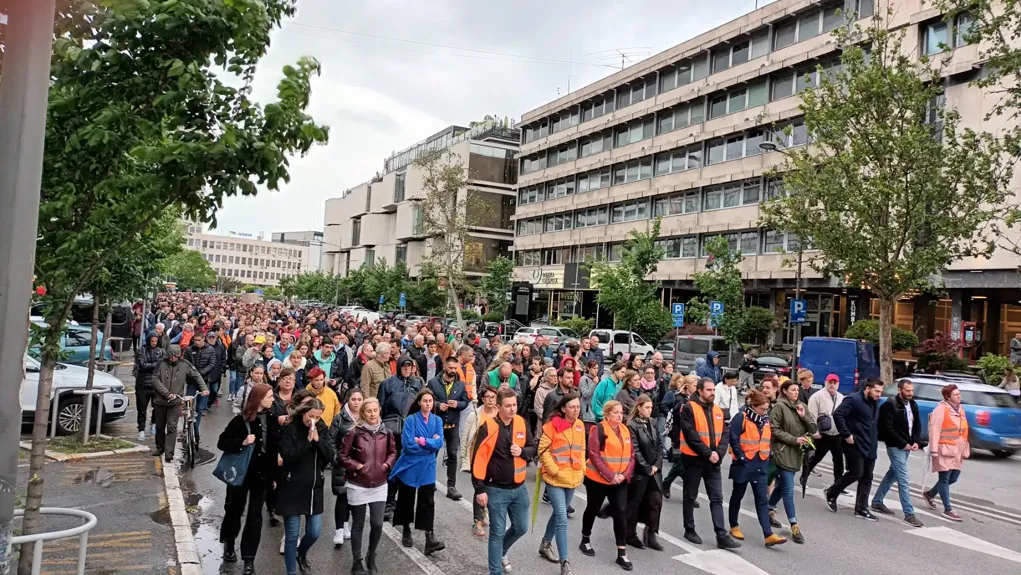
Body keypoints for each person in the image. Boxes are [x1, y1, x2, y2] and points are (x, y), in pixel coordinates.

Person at [472, 388, 536, 575]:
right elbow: (479, 459)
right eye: (508, 406)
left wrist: (523, 452)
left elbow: (533, 447)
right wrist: (480, 489)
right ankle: (495, 571)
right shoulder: (489, 427)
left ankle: (502, 553)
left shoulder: (521, 423)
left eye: (514, 405)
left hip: (519, 487)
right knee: (497, 533)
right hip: (496, 489)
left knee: (521, 528)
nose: (512, 409)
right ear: (498, 406)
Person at [217, 383, 277, 575]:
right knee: (235, 510)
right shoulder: (239, 421)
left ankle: (249, 559)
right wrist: (241, 442)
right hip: (241, 474)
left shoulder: (273, 420)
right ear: (259, 398)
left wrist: (274, 476)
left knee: (255, 517)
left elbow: (274, 450)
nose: (273, 399)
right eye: (270, 396)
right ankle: (229, 542)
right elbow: (222, 442)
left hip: (262, 476)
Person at [677, 378, 740, 549]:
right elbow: (691, 435)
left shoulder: (718, 410)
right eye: (709, 390)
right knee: (690, 496)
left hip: (713, 462)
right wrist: (707, 453)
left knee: (717, 498)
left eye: (713, 390)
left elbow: (725, 434)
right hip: (693, 460)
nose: (713, 393)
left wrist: (717, 453)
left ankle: (721, 535)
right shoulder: (689, 408)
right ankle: (689, 529)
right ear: (699, 391)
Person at [339, 398, 397, 575]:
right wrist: (356, 466)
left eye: (375, 410)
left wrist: (386, 465)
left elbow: (393, 452)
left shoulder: (386, 432)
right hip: (358, 484)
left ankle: (372, 556)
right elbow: (342, 456)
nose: (373, 414)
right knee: (358, 525)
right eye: (369, 411)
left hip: (379, 484)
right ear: (363, 414)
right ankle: (357, 562)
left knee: (377, 524)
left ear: (379, 411)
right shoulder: (354, 433)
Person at [278, 398, 335, 575]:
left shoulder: (322, 429)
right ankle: (291, 572)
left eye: (317, 417)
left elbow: (330, 456)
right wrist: (307, 442)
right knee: (292, 535)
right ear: (304, 412)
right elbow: (289, 457)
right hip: (292, 486)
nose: (313, 421)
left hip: (313, 486)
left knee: (315, 532)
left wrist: (318, 440)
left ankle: (301, 554)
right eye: (311, 416)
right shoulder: (289, 428)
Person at [579, 400, 635, 570]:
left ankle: (621, 553)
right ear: (607, 414)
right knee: (593, 508)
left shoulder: (625, 430)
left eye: (621, 412)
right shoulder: (599, 429)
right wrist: (610, 475)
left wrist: (624, 475)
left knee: (621, 513)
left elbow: (632, 455)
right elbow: (594, 455)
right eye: (616, 412)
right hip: (599, 479)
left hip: (619, 480)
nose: (620, 415)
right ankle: (585, 539)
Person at [388, 388, 445, 555]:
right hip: (411, 464)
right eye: (425, 401)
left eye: (430, 401)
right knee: (407, 497)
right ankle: (406, 529)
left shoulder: (437, 421)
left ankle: (429, 536)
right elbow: (408, 445)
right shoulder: (411, 420)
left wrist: (421, 441)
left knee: (428, 501)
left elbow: (439, 443)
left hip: (428, 465)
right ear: (419, 402)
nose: (428, 404)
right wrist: (429, 444)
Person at [727, 389, 787, 547]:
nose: (764, 411)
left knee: (762, 500)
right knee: (737, 495)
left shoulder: (765, 419)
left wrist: (769, 455)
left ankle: (768, 534)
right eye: (762, 408)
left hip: (760, 464)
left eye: (766, 408)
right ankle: (733, 526)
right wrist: (741, 457)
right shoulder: (742, 417)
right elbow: (732, 438)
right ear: (753, 406)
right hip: (743, 464)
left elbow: (766, 439)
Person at [537, 393, 585, 575]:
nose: (576, 410)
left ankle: (545, 543)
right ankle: (565, 562)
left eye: (578, 407)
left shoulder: (580, 425)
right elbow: (543, 450)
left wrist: (582, 470)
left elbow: (582, 448)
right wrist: (554, 469)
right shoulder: (552, 426)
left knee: (559, 514)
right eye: (572, 407)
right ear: (564, 409)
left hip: (572, 478)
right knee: (562, 517)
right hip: (555, 478)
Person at [825, 378, 882, 521]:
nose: (879, 394)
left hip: (870, 444)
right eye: (876, 391)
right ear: (867, 389)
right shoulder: (853, 400)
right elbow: (838, 414)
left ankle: (861, 508)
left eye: (881, 392)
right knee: (856, 473)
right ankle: (832, 492)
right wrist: (846, 435)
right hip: (854, 443)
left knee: (867, 477)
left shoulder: (875, 403)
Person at [871, 379, 925, 527]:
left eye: (912, 390)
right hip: (896, 447)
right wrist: (903, 443)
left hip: (907, 446)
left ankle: (877, 501)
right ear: (900, 389)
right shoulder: (890, 404)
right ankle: (909, 514)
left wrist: (916, 441)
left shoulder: (912, 404)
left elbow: (916, 424)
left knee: (892, 474)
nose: (910, 393)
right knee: (903, 479)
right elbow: (887, 428)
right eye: (907, 390)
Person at [767, 380, 816, 543]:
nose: (796, 392)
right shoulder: (779, 406)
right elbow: (773, 429)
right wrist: (794, 439)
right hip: (782, 452)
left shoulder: (802, 406)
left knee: (782, 486)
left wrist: (804, 417)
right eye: (793, 390)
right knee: (788, 488)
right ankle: (794, 525)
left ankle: (768, 508)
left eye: (797, 390)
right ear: (785, 391)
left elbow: (813, 429)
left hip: (796, 453)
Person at [378, 356, 424, 520]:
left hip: (411, 432)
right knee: (392, 467)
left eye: (409, 366)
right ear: (398, 367)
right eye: (403, 366)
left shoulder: (418, 383)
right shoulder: (388, 383)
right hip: (392, 432)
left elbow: (423, 406)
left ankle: (403, 504)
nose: (406, 369)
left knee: (409, 469)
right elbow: (380, 408)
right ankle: (389, 501)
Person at [151, 345, 208, 463]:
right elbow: (155, 379)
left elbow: (196, 375)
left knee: (172, 426)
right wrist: (167, 394)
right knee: (160, 426)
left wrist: (204, 388)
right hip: (160, 401)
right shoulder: (160, 364)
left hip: (175, 402)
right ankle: (160, 447)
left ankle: (169, 453)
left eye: (175, 356)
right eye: (171, 356)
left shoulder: (185, 364)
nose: (173, 358)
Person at [922, 384, 970, 522]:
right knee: (945, 479)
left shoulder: (960, 409)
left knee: (954, 477)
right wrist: (934, 451)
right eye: (956, 394)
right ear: (947, 397)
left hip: (957, 450)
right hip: (944, 449)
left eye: (959, 394)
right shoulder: (941, 410)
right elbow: (934, 430)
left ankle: (930, 494)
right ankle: (948, 509)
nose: (959, 396)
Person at [624, 394, 664, 552]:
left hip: (654, 471)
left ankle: (651, 534)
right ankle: (630, 534)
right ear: (639, 407)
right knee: (635, 503)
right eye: (647, 407)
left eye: (651, 408)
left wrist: (657, 465)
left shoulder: (653, 423)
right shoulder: (632, 425)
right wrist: (646, 467)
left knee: (656, 502)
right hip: (639, 473)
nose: (649, 410)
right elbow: (634, 449)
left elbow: (660, 446)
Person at [426, 356, 469, 501]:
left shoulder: (460, 385)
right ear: (444, 366)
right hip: (437, 424)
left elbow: (465, 401)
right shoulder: (433, 383)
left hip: (453, 424)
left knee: (452, 454)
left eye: (455, 368)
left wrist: (457, 405)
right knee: (432, 453)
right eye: (450, 368)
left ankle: (452, 486)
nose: (452, 371)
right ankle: (429, 481)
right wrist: (437, 405)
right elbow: (426, 399)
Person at [461, 385, 499, 537]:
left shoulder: (499, 414)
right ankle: (477, 520)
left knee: (490, 489)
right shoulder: (475, 415)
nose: (490, 400)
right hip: (478, 458)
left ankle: (484, 513)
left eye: (493, 397)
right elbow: (465, 437)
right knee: (480, 488)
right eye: (487, 397)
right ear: (483, 399)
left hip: (495, 459)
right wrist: (465, 458)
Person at [331, 388, 363, 547]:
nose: (356, 403)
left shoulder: (366, 418)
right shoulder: (339, 418)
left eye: (359, 399)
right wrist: (337, 459)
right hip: (343, 463)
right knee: (342, 495)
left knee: (354, 497)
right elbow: (331, 440)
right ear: (348, 401)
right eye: (353, 399)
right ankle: (338, 528)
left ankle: (345, 524)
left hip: (360, 465)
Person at [803, 374, 845, 486]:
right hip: (823, 434)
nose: (832, 385)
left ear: (838, 384)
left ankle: (838, 484)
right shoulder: (817, 397)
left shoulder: (841, 397)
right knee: (816, 457)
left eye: (835, 383)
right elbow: (812, 415)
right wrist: (814, 432)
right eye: (830, 382)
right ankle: (804, 476)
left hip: (836, 434)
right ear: (825, 382)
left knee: (839, 460)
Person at [662, 374, 698, 501]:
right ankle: (667, 484)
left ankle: (688, 495)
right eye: (694, 386)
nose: (697, 388)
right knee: (680, 465)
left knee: (684, 467)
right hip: (679, 436)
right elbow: (678, 418)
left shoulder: (693, 399)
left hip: (690, 437)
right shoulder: (680, 399)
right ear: (687, 386)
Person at [134, 331, 165, 441]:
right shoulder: (141, 351)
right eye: (152, 341)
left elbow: (164, 365)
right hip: (143, 385)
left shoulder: (161, 351)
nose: (154, 343)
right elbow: (142, 365)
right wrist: (157, 364)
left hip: (156, 385)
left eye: (156, 341)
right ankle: (141, 430)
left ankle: (154, 424)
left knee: (157, 407)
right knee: (141, 409)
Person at [578, 360, 600, 433]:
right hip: (587, 415)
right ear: (588, 368)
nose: (596, 370)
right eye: (594, 368)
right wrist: (593, 384)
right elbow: (585, 394)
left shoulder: (598, 380)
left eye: (597, 368)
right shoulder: (584, 379)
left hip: (596, 414)